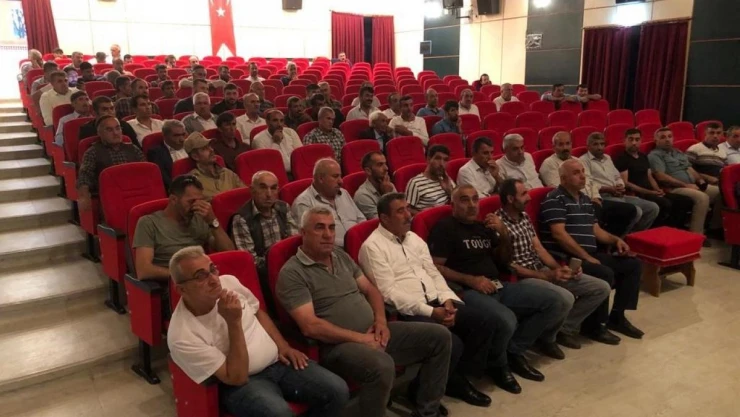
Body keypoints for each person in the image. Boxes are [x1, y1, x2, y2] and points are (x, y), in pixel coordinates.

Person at [276, 207, 451, 417]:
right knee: (382, 365)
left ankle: (428, 411)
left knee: (440, 337)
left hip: (373, 332)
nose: (328, 234)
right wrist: (361, 339)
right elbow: (310, 326)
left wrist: (381, 322)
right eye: (319, 228)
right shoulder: (292, 273)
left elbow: (370, 289)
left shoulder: (340, 256)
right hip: (338, 347)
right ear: (303, 233)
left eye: (332, 228)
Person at [168, 245, 348, 417]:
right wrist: (233, 322)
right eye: (200, 276)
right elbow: (236, 378)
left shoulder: (229, 282)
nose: (214, 279)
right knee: (279, 414)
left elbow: (258, 312)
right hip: (244, 382)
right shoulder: (182, 335)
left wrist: (283, 346)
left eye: (213, 269)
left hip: (278, 362)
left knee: (337, 390)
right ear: (181, 289)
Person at [422, 186, 575, 384]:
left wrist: (503, 234)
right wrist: (471, 280)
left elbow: (504, 260)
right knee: (506, 319)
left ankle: (514, 351)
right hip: (467, 290)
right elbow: (435, 267)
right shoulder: (445, 228)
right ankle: (498, 366)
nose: (472, 205)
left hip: (499, 285)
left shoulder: (483, 227)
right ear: (453, 204)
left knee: (556, 301)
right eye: (465, 200)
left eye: (475, 199)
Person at [359, 192, 499, 407]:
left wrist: (447, 300)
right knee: (452, 342)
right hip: (410, 310)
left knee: (485, 322)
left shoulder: (414, 238)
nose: (408, 215)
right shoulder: (372, 247)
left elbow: (433, 272)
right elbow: (389, 293)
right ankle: (422, 392)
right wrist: (432, 312)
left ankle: (453, 378)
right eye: (400, 211)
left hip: (436, 300)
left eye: (408, 209)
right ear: (384, 218)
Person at [496, 179, 611, 349]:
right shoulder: (497, 224)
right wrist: (546, 275)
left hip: (541, 269)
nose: (529, 198)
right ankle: (545, 339)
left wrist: (560, 269)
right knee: (565, 298)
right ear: (510, 199)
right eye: (524, 194)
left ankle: (561, 329)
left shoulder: (524, 216)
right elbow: (508, 265)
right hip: (523, 277)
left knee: (600, 288)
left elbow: (539, 249)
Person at [539, 159, 644, 343]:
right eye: (576, 173)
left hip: (589, 254)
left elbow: (596, 230)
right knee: (604, 272)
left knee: (632, 264)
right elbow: (559, 235)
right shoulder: (555, 199)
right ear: (563, 179)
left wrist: (616, 240)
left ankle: (617, 317)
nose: (582, 176)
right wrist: (586, 257)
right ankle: (594, 326)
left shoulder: (585, 199)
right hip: (568, 258)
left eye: (582, 171)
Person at [132, 175, 234, 282]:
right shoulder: (148, 223)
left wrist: (212, 221)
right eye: (191, 202)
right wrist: (186, 277)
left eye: (200, 201)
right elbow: (144, 270)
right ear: (173, 199)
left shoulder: (200, 218)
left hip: (204, 278)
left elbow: (229, 253)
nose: (196, 206)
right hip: (173, 283)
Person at [539, 131, 639, 237]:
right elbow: (559, 187)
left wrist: (596, 196)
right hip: (575, 204)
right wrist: (587, 200)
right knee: (617, 211)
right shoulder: (549, 163)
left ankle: (610, 242)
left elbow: (590, 181)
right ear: (553, 147)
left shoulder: (577, 160)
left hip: (591, 200)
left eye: (568, 144)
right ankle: (601, 242)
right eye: (561, 144)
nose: (565, 148)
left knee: (630, 210)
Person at [614, 128, 694, 230]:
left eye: (637, 139)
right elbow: (626, 183)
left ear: (641, 141)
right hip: (638, 193)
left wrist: (657, 190)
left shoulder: (643, 156)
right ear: (624, 140)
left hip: (650, 191)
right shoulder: (622, 158)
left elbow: (649, 176)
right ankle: (656, 229)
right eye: (631, 139)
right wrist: (650, 192)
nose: (634, 142)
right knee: (665, 204)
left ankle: (672, 229)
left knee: (685, 201)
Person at [649, 127, 722, 237]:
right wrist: (686, 185)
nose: (667, 139)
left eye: (669, 136)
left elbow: (689, 168)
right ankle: (696, 235)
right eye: (663, 137)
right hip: (674, 188)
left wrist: (700, 180)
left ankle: (714, 228)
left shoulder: (678, 152)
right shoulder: (655, 155)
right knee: (702, 198)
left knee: (720, 192)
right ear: (656, 140)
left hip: (692, 185)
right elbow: (661, 177)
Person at [580, 132, 659, 232]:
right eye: (595, 144)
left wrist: (620, 186)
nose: (599, 147)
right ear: (588, 146)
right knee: (636, 211)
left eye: (602, 144)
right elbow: (587, 183)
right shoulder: (583, 160)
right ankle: (620, 237)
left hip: (618, 194)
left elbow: (617, 176)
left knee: (653, 208)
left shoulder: (607, 158)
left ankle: (633, 235)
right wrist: (609, 189)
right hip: (602, 196)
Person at [232, 171, 299, 278]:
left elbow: (293, 242)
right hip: (265, 273)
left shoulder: (284, 208)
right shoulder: (241, 219)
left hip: (290, 266)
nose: (269, 194)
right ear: (252, 190)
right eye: (263, 188)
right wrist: (278, 265)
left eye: (273, 188)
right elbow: (251, 261)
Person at [76, 116, 145, 211]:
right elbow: (84, 177)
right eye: (109, 130)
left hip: (137, 194)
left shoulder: (134, 149)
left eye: (118, 128)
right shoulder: (92, 152)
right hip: (110, 199)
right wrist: (84, 196)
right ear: (100, 133)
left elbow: (146, 173)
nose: (116, 133)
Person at [292, 159, 366, 246]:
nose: (341, 181)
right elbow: (312, 239)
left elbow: (362, 220)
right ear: (321, 179)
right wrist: (351, 244)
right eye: (335, 176)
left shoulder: (344, 193)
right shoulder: (304, 203)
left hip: (360, 244)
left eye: (340, 176)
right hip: (333, 250)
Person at [185, 132, 245, 201]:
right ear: (195, 156)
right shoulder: (192, 182)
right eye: (204, 148)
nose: (211, 150)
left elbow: (246, 194)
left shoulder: (228, 174)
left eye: (210, 146)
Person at [406, 145, 455, 215]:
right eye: (437, 158)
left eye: (445, 160)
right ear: (428, 159)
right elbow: (408, 209)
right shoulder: (416, 183)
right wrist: (426, 217)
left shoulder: (446, 179)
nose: (442, 164)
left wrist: (449, 191)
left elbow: (458, 202)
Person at [147, 119, 189, 192]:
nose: (182, 139)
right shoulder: (156, 153)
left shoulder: (190, 147)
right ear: (165, 136)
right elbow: (165, 180)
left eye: (183, 134)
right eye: (176, 135)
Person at [354, 151, 397, 219]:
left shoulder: (389, 185)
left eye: (385, 164)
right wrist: (387, 194)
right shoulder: (362, 195)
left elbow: (400, 211)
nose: (386, 168)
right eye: (380, 165)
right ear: (368, 171)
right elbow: (383, 221)